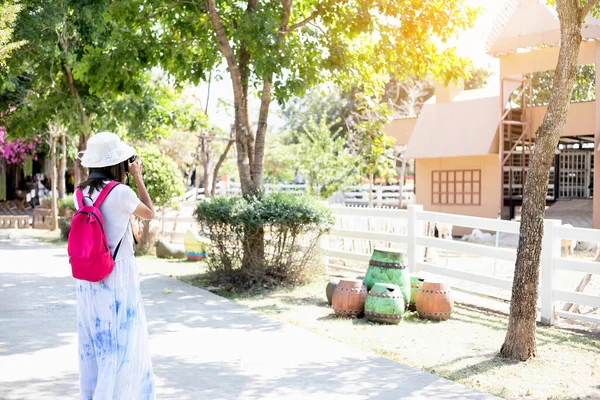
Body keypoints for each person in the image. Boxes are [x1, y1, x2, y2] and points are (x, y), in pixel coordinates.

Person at [75, 132, 155, 400]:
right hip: (117, 275)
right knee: (120, 344)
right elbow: (150, 212)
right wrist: (138, 176)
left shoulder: (80, 192)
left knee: (95, 344)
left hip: (88, 279)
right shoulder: (121, 192)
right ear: (118, 163)